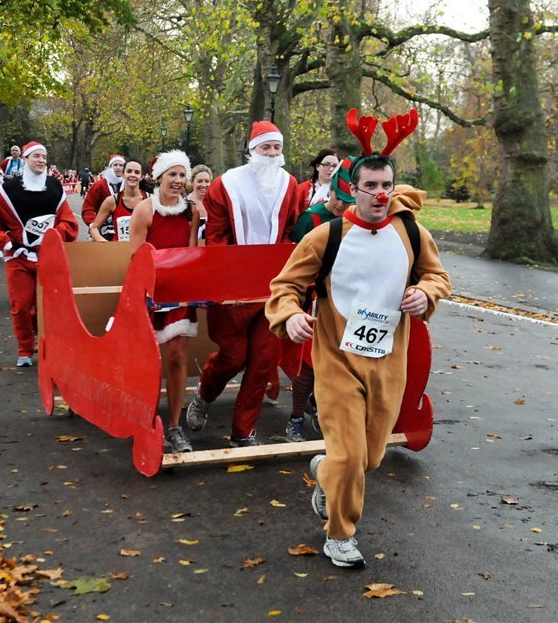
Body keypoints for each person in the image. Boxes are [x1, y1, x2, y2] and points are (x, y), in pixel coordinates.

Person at [265, 108, 451, 569]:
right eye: (371, 186)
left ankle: (326, 474)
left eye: (386, 185)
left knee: (367, 458)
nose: (381, 194)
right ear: (352, 188)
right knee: (349, 456)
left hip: (389, 361)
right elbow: (284, 287)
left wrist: (424, 293)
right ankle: (340, 535)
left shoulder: (412, 232)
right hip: (336, 360)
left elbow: (438, 276)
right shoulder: (326, 237)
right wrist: (289, 316)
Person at [184, 121, 301, 447]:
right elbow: (216, 238)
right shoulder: (226, 185)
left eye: (277, 147)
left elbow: (291, 233)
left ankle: (243, 431)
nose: (273, 153)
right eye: (267, 147)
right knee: (233, 357)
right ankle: (204, 396)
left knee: (264, 361)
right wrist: (226, 286)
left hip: (272, 289)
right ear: (252, 150)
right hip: (234, 291)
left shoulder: (290, 185)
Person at [0, 141, 79, 367]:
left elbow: (68, 220)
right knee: (21, 305)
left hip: (48, 257)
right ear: (25, 159)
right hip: (18, 257)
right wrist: (4, 241)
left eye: (44, 157)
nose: (41, 160)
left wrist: (56, 234)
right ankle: (25, 349)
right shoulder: (9, 189)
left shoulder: (55, 187)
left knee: (48, 305)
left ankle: (46, 342)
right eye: (36, 156)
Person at [279, 155, 356, 443]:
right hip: (313, 299)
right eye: (339, 198)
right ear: (331, 189)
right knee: (308, 365)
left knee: (341, 363)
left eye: (349, 201)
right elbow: (292, 264)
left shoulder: (356, 221)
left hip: (345, 301)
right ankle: (296, 417)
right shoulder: (310, 218)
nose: (341, 206)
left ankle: (324, 411)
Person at [129, 151, 199, 453]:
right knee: (148, 361)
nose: (179, 181)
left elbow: (192, 252)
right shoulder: (145, 210)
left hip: (181, 291)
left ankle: (173, 426)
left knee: (177, 356)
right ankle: (144, 419)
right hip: (150, 291)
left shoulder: (191, 211)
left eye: (183, 175)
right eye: (173, 174)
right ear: (159, 177)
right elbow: (136, 258)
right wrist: (149, 289)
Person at [88, 160, 147, 243]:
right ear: (123, 174)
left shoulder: (150, 200)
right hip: (119, 251)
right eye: (129, 171)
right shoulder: (112, 201)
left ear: (141, 177)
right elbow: (94, 229)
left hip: (143, 251)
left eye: (137, 172)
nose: (132, 175)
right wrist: (105, 243)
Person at [81, 154, 125, 233]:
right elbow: (87, 208)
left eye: (121, 165)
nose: (118, 167)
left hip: (124, 228)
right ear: (110, 167)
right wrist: (93, 224)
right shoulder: (99, 186)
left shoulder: (129, 185)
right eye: (115, 165)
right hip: (102, 228)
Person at [187, 164, 212, 240]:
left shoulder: (215, 204)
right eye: (200, 181)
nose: (204, 185)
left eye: (207, 181)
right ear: (192, 182)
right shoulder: (185, 203)